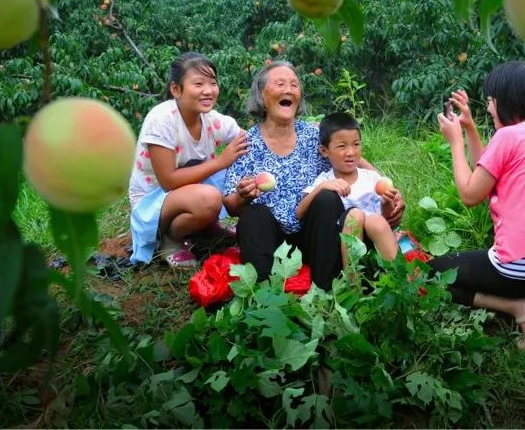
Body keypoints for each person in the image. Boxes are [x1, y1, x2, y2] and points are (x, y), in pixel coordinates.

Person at [431, 61, 525, 352]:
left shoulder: (509, 136)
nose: (488, 108)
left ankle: (519, 307)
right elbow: (489, 173)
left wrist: (456, 143)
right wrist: (470, 127)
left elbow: (472, 194)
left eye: (491, 101)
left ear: (507, 101)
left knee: (434, 274)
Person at [222, 62, 405, 290]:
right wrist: (243, 195)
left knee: (327, 199)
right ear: (261, 94)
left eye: (294, 85)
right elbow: (230, 205)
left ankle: (327, 287)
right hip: (273, 238)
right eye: (280, 84)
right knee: (252, 213)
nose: (289, 89)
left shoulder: (314, 134)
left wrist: (386, 189)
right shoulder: (247, 144)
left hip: (317, 234)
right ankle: (264, 291)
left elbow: (353, 158)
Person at [128, 52, 249, 267]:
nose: (208, 90)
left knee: (248, 176)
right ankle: (169, 238)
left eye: (213, 83)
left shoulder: (212, 120)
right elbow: (168, 181)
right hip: (154, 201)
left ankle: (205, 231)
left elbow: (252, 142)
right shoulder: (162, 119)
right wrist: (220, 162)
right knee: (210, 198)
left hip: (191, 192)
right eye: (198, 83)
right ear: (176, 89)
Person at [298, 112, 401, 268]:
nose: (351, 152)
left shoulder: (372, 178)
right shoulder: (326, 180)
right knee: (355, 215)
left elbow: (386, 218)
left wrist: (387, 203)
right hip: (343, 246)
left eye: (356, 144)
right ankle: (354, 285)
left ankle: (401, 279)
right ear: (324, 151)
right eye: (342, 146)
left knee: (375, 220)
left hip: (375, 242)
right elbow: (299, 213)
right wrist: (321, 188)